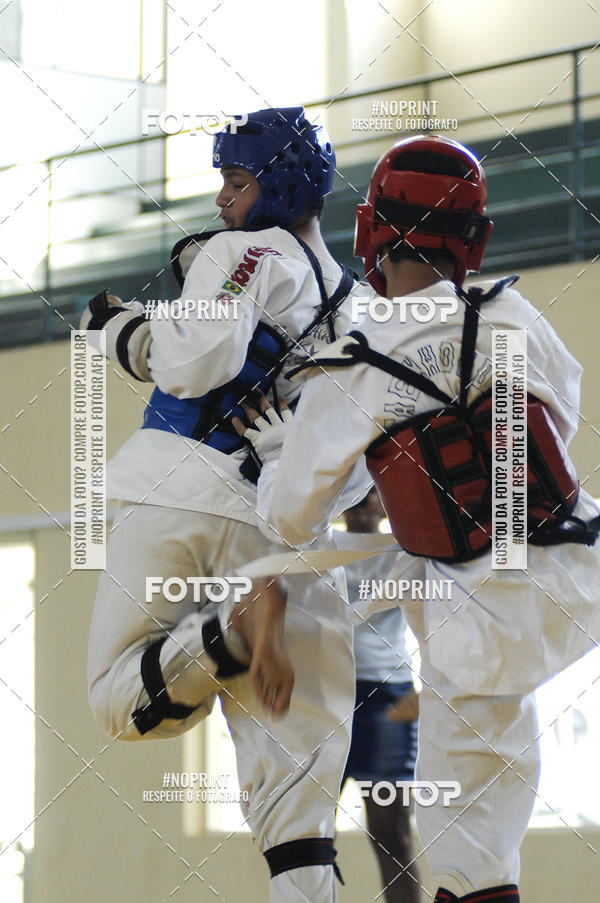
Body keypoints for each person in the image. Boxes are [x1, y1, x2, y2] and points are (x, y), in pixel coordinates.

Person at [255, 135, 600, 902]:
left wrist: (285, 452)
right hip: (578, 569)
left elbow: (287, 517)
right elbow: (562, 417)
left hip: (479, 624)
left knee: (470, 868)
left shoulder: (355, 359)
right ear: (473, 239)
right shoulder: (513, 310)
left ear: (370, 227)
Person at [81, 106, 373, 903]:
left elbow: (193, 361)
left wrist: (125, 332)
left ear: (276, 187)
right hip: (282, 535)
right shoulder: (365, 313)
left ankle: (222, 637)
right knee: (298, 806)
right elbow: (356, 472)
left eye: (235, 182)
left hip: (172, 490)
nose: (221, 200)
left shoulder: (242, 252)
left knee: (116, 697)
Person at [340, 489, 420, 903]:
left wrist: (433, 692)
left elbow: (440, 619)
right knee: (307, 833)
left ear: (386, 499)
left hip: (389, 698)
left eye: (372, 489)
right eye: (351, 488)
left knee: (391, 833)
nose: (361, 498)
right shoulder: (319, 547)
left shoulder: (403, 550)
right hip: (327, 696)